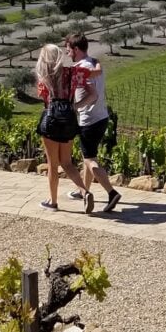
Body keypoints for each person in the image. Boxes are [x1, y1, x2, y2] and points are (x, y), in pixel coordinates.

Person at [64, 32, 121, 213]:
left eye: (69, 50)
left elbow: (93, 95)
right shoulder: (93, 63)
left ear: (76, 49)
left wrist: (75, 106)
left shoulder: (80, 70)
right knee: (88, 157)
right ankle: (84, 191)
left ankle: (112, 193)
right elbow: (97, 68)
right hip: (102, 117)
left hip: (88, 120)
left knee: (90, 160)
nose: (67, 53)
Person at [35, 44, 93, 212]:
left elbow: (43, 98)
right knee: (67, 162)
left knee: (53, 164)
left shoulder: (44, 77)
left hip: (52, 119)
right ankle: (84, 191)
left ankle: (52, 202)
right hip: (69, 118)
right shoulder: (72, 73)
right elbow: (92, 81)